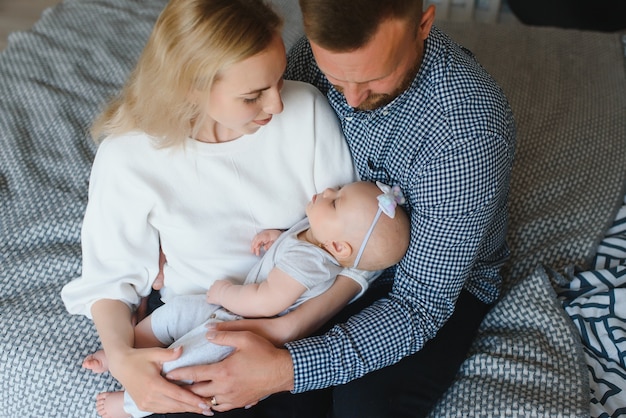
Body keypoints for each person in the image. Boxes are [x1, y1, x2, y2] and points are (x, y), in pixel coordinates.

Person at [157, 0, 516, 417]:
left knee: (363, 408)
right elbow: (254, 145)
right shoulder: (312, 55)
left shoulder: (466, 136)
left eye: (374, 79)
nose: (351, 97)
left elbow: (419, 306)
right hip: (314, 254)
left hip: (415, 288)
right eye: (335, 78)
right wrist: (181, 230)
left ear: (423, 24)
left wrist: (284, 367)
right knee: (224, 385)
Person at [60, 0, 365, 416]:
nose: (276, 104)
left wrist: (285, 329)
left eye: (278, 80)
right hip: (192, 322)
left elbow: (356, 246)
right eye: (253, 96)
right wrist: (124, 360)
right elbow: (111, 278)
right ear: (191, 87)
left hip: (295, 322)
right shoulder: (128, 157)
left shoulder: (306, 111)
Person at [83, 180, 410, 418]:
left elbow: (266, 301)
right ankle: (126, 350)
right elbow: (295, 243)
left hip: (245, 326)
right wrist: (278, 237)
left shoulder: (312, 263)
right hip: (227, 311)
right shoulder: (317, 235)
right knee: (177, 310)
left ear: (339, 249)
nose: (328, 191)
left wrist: (226, 292)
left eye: (335, 201)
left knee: (185, 358)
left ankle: (131, 404)